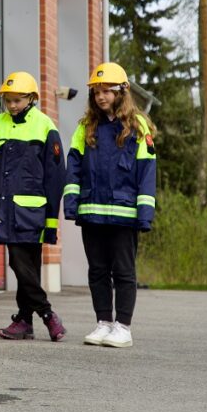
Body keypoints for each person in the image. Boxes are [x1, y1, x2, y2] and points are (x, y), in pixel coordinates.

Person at [63, 63, 156, 348]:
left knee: (124, 272)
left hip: (125, 214)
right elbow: (73, 167)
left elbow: (147, 172)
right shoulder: (84, 127)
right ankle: (103, 322)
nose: (101, 97)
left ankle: (123, 327)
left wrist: (145, 214)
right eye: (96, 92)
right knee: (97, 270)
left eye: (107, 91)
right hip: (92, 212)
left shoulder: (138, 126)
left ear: (121, 92)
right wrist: (72, 203)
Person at [0, 71, 66, 342]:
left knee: (23, 264)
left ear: (32, 99)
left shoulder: (45, 125)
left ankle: (44, 315)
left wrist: (51, 221)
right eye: (8, 100)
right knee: (20, 262)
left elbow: (56, 176)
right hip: (6, 210)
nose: (12, 105)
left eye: (17, 100)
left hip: (33, 211)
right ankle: (25, 320)